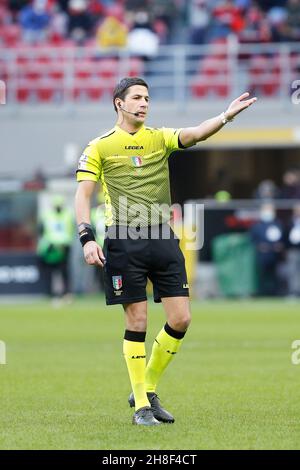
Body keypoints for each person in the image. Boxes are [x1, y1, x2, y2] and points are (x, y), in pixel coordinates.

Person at [74, 77, 257, 426]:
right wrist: (87, 237)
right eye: (137, 98)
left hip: (162, 238)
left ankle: (147, 389)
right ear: (119, 103)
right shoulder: (99, 146)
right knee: (137, 321)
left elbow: (197, 133)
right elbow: (83, 195)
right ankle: (142, 407)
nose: (144, 103)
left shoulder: (158, 138)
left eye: (147, 98)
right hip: (123, 240)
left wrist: (226, 116)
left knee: (181, 319)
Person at [37, 194, 74, 300]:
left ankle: (64, 292)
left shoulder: (51, 215)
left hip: (61, 245)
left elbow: (41, 231)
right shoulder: (64, 214)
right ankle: (53, 293)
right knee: (53, 271)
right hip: (53, 245)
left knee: (63, 270)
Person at [250, 202, 284, 296]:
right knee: (262, 275)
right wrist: (259, 246)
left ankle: (275, 293)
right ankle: (261, 293)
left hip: (275, 255)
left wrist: (279, 246)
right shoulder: (257, 225)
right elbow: (252, 239)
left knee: (275, 275)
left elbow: (282, 238)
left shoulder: (278, 224)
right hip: (262, 255)